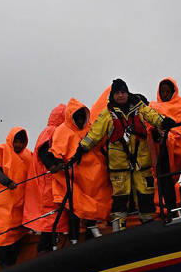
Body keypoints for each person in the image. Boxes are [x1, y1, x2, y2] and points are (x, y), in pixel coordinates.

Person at [73, 79, 172, 231]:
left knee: (145, 191)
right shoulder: (107, 113)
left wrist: (164, 122)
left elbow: (152, 116)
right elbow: (95, 133)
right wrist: (82, 148)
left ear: (127, 93)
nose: (120, 95)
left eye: (123, 92)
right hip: (119, 162)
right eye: (117, 93)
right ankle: (119, 228)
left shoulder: (139, 107)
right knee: (120, 195)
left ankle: (148, 223)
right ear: (113, 95)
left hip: (141, 159)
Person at [41, 99, 112, 240]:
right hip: (75, 178)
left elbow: (101, 143)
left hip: (96, 175)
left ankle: (91, 229)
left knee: (98, 201)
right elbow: (54, 153)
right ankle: (74, 239)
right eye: (77, 117)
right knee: (75, 206)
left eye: (82, 117)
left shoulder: (90, 128)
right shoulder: (62, 131)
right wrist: (56, 165)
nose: (80, 121)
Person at [0, 127, 32, 265]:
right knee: (3, 235)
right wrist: (8, 182)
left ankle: (11, 267)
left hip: (19, 204)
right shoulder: (0, 150)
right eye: (16, 141)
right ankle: (4, 267)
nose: (18, 145)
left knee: (17, 234)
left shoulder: (28, 155)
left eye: (21, 142)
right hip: (1, 205)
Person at [27, 105, 70, 252]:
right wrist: (54, 166)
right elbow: (44, 152)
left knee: (53, 218)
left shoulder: (50, 131)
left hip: (52, 182)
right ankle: (44, 251)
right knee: (51, 218)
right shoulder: (52, 131)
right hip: (49, 183)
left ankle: (49, 248)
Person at [150, 77, 181, 206]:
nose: (165, 94)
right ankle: (167, 205)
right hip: (161, 150)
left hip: (178, 147)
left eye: (167, 91)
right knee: (162, 176)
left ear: (173, 91)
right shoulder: (153, 107)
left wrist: (170, 135)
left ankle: (172, 204)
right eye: (162, 92)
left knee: (167, 176)